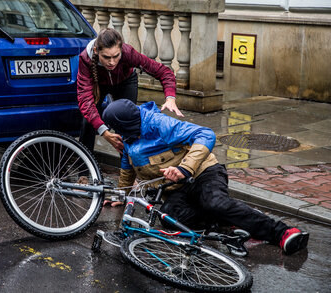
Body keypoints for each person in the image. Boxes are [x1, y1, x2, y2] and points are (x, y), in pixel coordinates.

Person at [102, 99, 309, 255]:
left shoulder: (159, 123)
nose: (114, 133)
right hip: (175, 189)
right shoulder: (129, 136)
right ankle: (232, 219)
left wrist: (184, 169)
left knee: (215, 202)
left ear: (125, 123)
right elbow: (126, 166)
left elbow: (206, 134)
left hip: (203, 173)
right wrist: (120, 195)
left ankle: (282, 233)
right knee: (169, 218)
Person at [77, 28, 183, 154]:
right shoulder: (85, 59)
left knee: (126, 122)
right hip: (99, 84)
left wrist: (170, 97)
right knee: (88, 121)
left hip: (125, 81)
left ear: (121, 50)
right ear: (96, 51)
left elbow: (163, 72)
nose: (111, 62)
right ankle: (83, 170)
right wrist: (104, 132)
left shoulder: (128, 53)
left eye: (116, 56)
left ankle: (128, 168)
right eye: (106, 57)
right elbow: (85, 101)